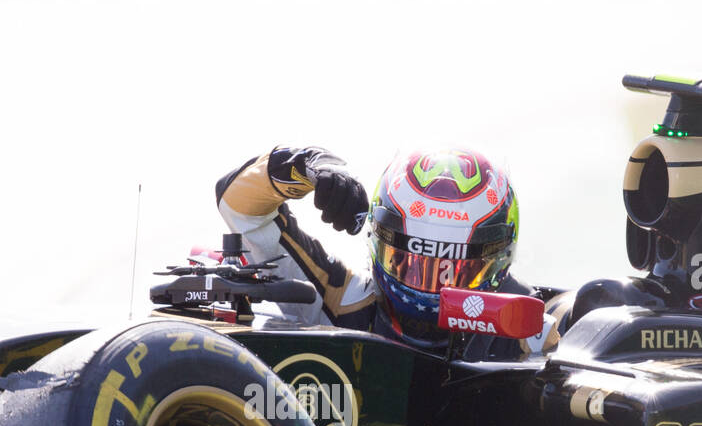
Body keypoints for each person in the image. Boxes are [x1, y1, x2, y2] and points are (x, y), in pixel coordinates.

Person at [216, 145, 531, 349]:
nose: (432, 288)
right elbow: (238, 205)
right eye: (412, 261)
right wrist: (305, 166)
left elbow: (572, 314)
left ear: (500, 256)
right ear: (378, 238)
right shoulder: (340, 299)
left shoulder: (532, 328)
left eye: (455, 268)